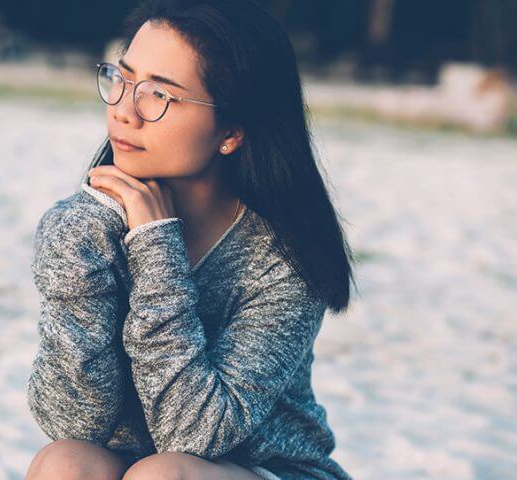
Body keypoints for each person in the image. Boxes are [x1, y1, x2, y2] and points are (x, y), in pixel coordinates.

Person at [25, 0, 356, 479]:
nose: (124, 111)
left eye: (159, 95)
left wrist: (156, 248)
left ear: (232, 130)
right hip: (139, 464)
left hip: (268, 469)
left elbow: (192, 435)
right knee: (64, 462)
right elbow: (71, 420)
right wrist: (79, 255)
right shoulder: (86, 232)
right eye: (122, 79)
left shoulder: (283, 260)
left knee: (165, 475)